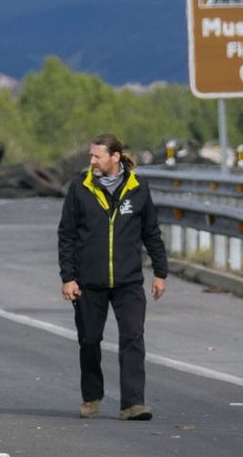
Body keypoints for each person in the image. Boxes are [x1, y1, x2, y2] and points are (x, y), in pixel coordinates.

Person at [57, 133, 167, 421]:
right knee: (90, 340)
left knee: (133, 337)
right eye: (91, 156)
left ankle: (133, 403)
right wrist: (68, 277)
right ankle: (91, 397)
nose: (92, 161)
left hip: (128, 281)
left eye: (97, 156)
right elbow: (66, 235)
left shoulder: (138, 188)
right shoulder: (80, 188)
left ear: (115, 157)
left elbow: (151, 232)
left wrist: (160, 272)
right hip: (88, 282)